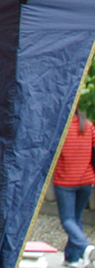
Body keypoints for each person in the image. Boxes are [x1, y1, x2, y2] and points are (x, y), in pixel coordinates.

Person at [53, 111, 95, 268]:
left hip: (65, 181)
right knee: (76, 219)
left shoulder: (60, 127)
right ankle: (72, 259)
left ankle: (87, 249)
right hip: (86, 181)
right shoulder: (88, 125)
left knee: (67, 220)